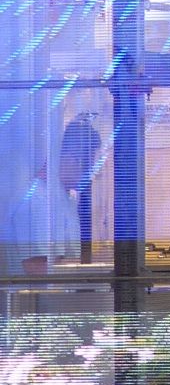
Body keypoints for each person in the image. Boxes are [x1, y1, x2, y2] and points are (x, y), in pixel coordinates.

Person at [5, 119, 101, 277]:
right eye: (89, 168)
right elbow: (38, 269)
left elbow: (68, 257)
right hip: (39, 300)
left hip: (63, 298)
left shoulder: (65, 199)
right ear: (71, 160)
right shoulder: (36, 200)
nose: (91, 176)